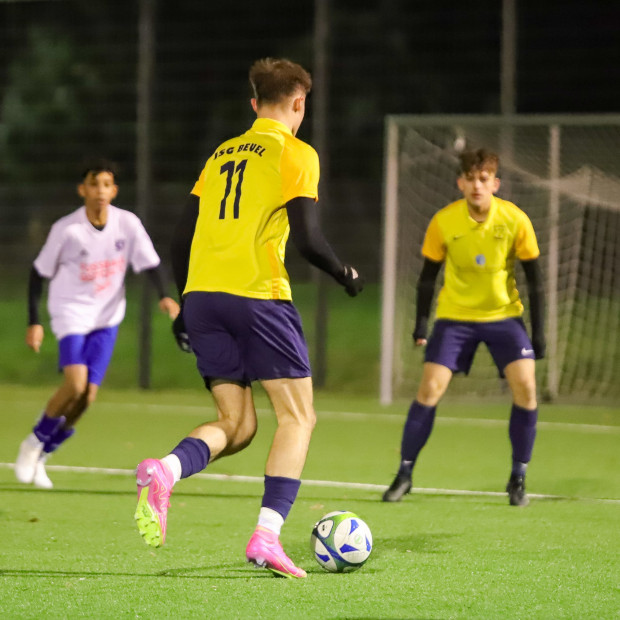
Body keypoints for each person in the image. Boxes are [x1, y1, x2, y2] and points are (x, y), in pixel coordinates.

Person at [133, 58, 364, 579]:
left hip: (203, 298)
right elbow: (307, 240)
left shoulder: (220, 154)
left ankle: (164, 470)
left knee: (238, 426)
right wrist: (345, 272)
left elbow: (179, 236)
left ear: (254, 103)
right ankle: (266, 537)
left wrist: (185, 303)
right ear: (299, 102)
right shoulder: (297, 153)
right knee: (298, 417)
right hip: (257, 295)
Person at [382, 148, 545, 507]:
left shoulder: (515, 220)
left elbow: (535, 281)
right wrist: (421, 324)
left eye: (484, 179)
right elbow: (427, 279)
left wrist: (540, 333)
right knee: (429, 390)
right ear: (460, 182)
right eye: (470, 178)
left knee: (527, 388)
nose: (477, 185)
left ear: (495, 183)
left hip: (504, 317)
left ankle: (518, 477)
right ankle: (404, 473)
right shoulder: (444, 221)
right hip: (454, 318)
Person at [15, 159, 180, 489]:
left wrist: (165, 295)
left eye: (106, 185)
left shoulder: (127, 224)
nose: (100, 191)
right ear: (83, 189)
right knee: (74, 385)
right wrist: (34, 322)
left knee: (87, 398)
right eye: (94, 184)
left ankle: (45, 452)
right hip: (70, 312)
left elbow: (151, 263)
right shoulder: (68, 229)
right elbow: (38, 273)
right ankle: (32, 443)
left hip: (107, 317)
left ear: (114, 190)